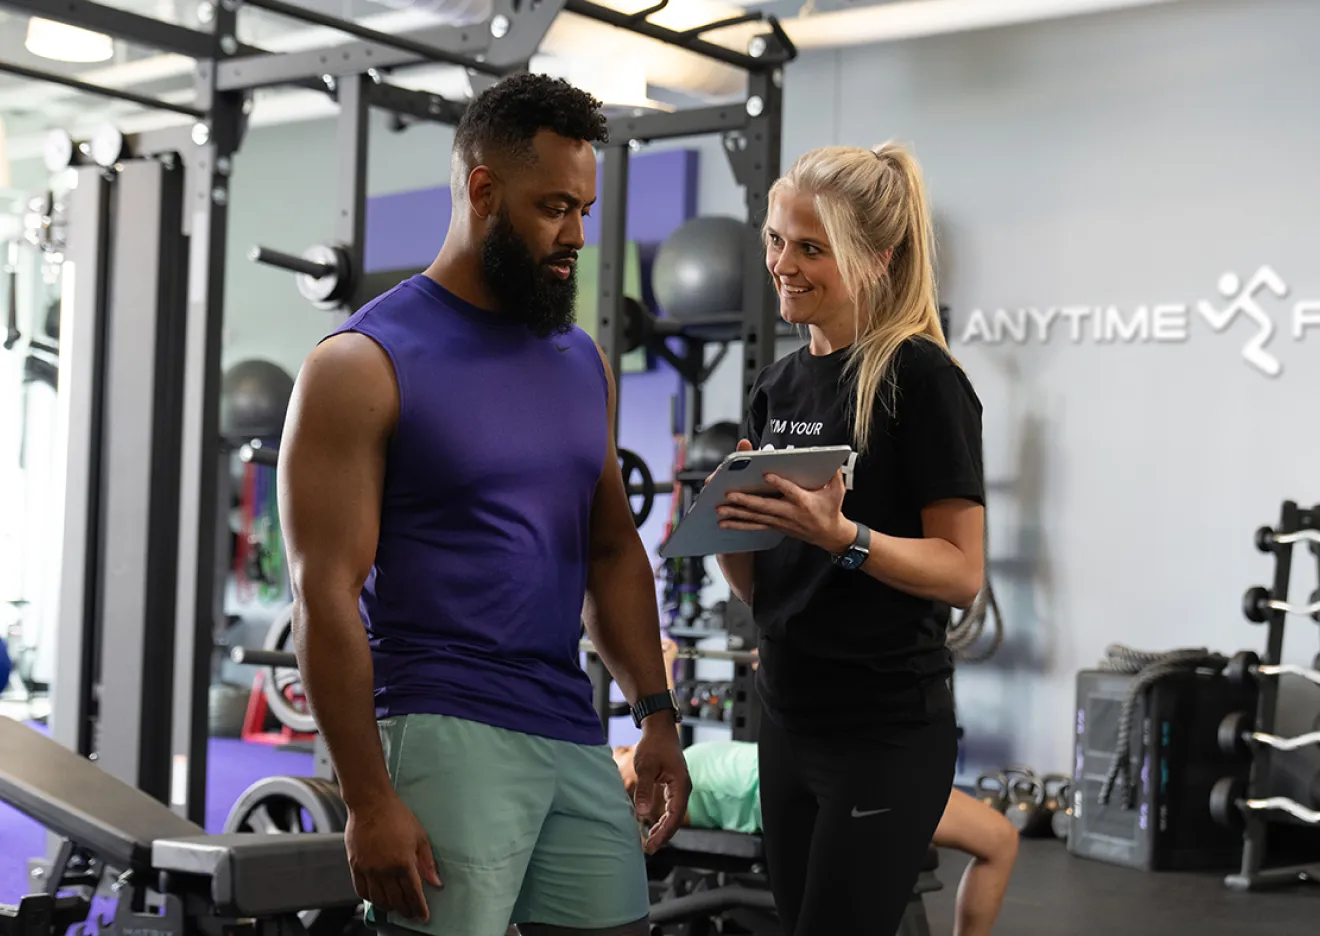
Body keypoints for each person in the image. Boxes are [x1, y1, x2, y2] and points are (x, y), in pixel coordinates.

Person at [277, 72, 690, 936]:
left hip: (569, 724)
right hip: (440, 720)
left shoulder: (582, 360)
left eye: (584, 208)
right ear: (482, 190)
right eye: (554, 208)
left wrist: (656, 714)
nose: (576, 233)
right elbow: (325, 593)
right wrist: (365, 799)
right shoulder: (361, 363)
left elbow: (612, 549)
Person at [711, 142, 986, 935]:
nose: (781, 264)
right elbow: (765, 588)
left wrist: (844, 536)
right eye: (773, 239)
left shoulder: (922, 380)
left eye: (809, 248)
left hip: (884, 729)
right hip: (787, 718)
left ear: (877, 258)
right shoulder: (777, 385)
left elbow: (963, 572)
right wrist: (730, 523)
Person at [615, 642, 1017, 936]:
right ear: (639, 797)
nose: (617, 748)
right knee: (1000, 839)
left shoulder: (671, 767)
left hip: (821, 759)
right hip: (833, 786)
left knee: (999, 840)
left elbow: (665, 733)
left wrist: (780, 661)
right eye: (614, 760)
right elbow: (656, 758)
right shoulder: (658, 792)